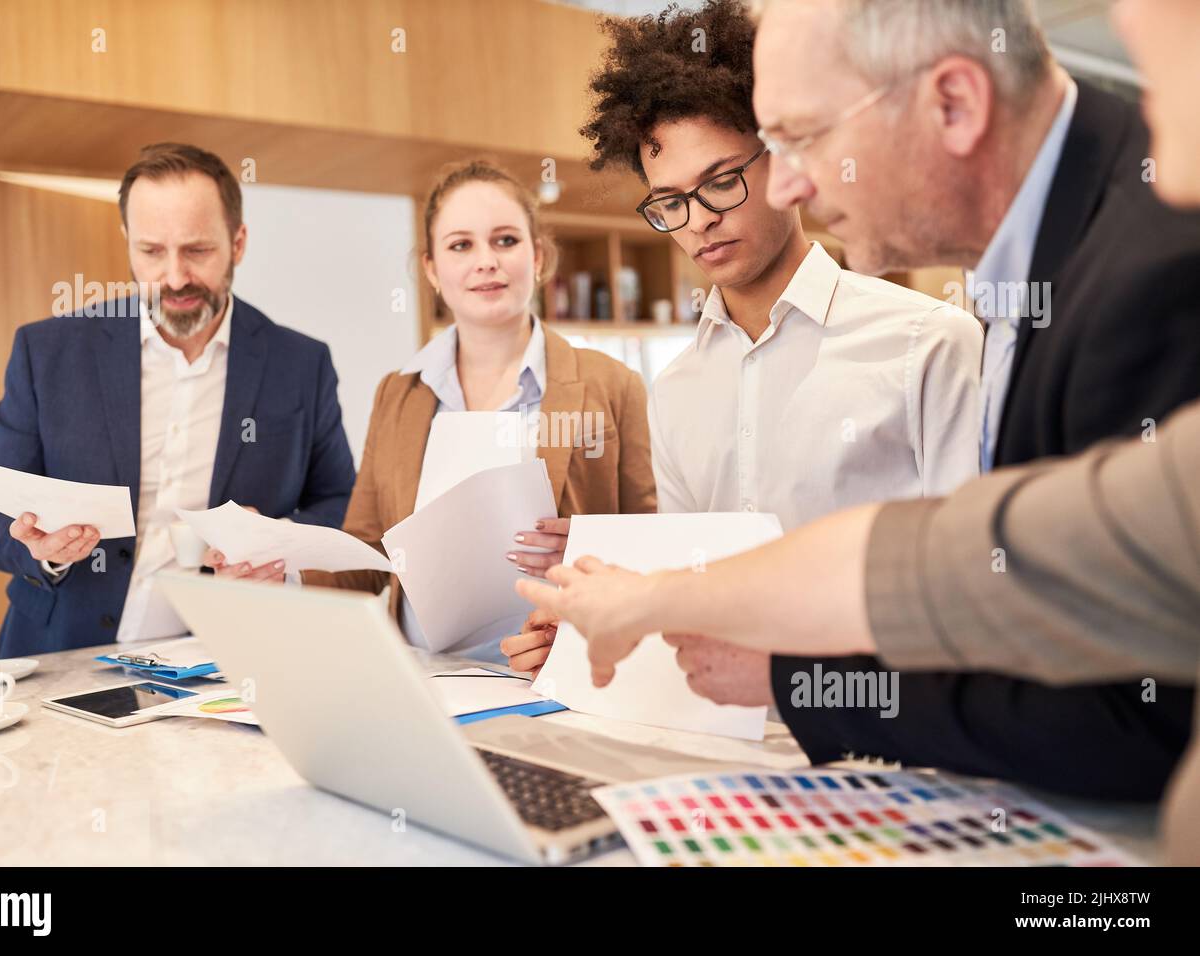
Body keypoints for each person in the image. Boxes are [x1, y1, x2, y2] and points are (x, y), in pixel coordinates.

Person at [517, 0, 1200, 863]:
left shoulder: (1148, 262)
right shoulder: (1025, 274)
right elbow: (950, 558)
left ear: (953, 105)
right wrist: (630, 612)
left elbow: (1115, 702)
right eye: (670, 203)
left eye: (800, 140)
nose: (793, 185)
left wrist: (795, 677)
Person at [502, 0, 981, 676]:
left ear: (781, 160)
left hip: (890, 738)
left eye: (720, 182)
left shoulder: (929, 344)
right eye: (670, 203)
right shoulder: (676, 390)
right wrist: (586, 642)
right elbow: (686, 600)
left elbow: (969, 590)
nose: (698, 222)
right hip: (720, 736)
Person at [0, 143, 357, 658]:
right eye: (151, 252)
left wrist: (279, 544)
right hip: (60, 655)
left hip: (226, 665)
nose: (174, 278)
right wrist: (40, 550)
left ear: (237, 242)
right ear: (127, 241)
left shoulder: (301, 364)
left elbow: (342, 503)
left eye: (197, 251)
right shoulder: (48, 352)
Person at [302, 159, 655, 660]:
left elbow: (652, 540)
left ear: (538, 256)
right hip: (426, 679)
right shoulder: (398, 394)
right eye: (461, 245)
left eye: (506, 240)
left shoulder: (612, 384)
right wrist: (286, 572)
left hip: (556, 676)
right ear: (431, 268)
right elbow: (367, 555)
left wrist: (586, 546)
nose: (485, 261)